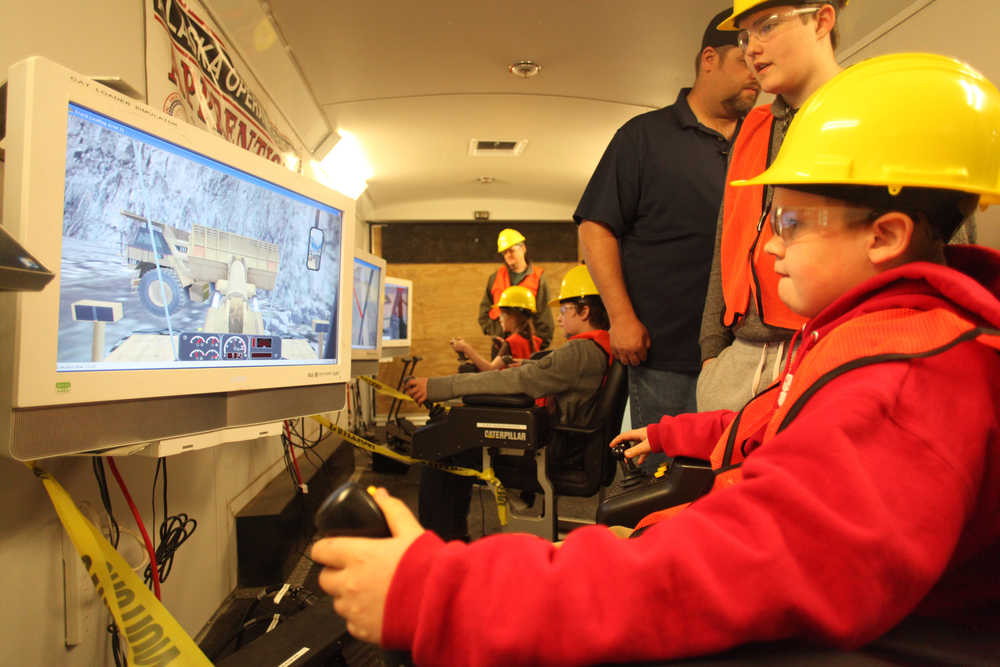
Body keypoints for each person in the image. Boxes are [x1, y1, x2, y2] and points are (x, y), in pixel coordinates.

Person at [311, 54, 1000, 664]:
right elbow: (776, 421)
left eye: (789, 221)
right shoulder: (884, 334)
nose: (768, 247)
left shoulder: (905, 376)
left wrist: (437, 595)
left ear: (885, 235)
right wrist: (674, 431)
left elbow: (743, 565)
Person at [698, 0, 974, 412]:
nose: (752, 47)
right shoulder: (753, 129)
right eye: (745, 35)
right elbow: (728, 238)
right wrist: (711, 351)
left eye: (767, 26)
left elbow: (941, 244)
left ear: (822, 20)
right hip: (740, 357)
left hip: (837, 349)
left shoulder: (882, 112)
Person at [576, 6, 760, 433]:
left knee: (735, 479)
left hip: (748, 351)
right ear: (709, 60)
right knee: (665, 480)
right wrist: (621, 318)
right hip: (667, 354)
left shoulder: (765, 136)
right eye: (743, 59)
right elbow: (596, 226)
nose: (756, 71)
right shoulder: (644, 137)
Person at [409, 265, 612, 541]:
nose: (560, 318)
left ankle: (440, 546)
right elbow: (539, 372)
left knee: (442, 445)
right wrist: (526, 366)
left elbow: (516, 381)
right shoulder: (600, 348)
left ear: (584, 311)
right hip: (571, 447)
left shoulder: (579, 351)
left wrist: (437, 387)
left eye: (564, 310)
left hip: (551, 453)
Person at [477, 228, 555, 350]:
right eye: (504, 252)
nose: (508, 255)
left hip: (527, 348)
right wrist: (500, 333)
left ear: (523, 248)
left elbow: (545, 319)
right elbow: (483, 315)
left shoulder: (538, 278)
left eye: (511, 250)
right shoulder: (495, 278)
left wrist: (534, 346)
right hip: (501, 347)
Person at [451, 285, 541, 372]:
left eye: (502, 314)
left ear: (512, 317)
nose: (499, 318)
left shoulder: (511, 342)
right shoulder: (534, 340)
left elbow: (491, 369)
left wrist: (466, 348)